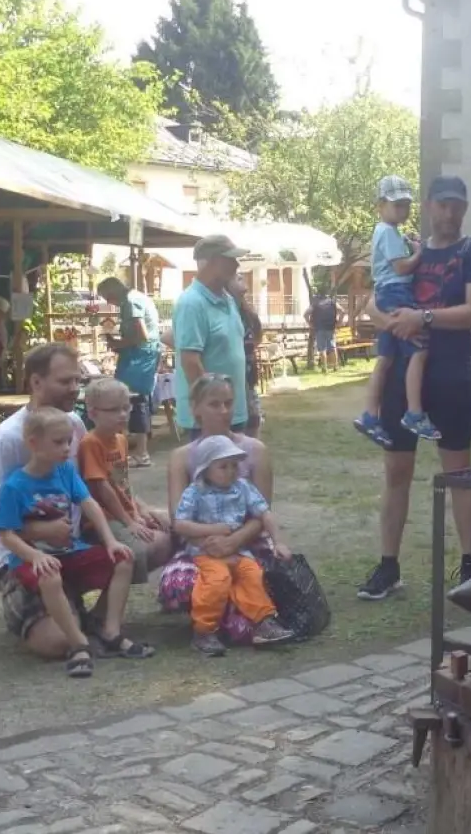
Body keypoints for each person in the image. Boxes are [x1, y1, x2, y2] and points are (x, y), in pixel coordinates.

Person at [0, 344, 169, 658]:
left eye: (77, 381)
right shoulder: (8, 439)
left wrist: (140, 509)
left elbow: (93, 485)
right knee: (57, 643)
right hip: (22, 555)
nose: (74, 389)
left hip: (73, 542)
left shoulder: (73, 425)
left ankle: (97, 619)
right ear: (36, 382)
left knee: (159, 538)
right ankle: (55, 612)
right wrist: (40, 532)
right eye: (65, 382)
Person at [357, 176, 471, 599]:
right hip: (403, 371)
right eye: (442, 204)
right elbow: (371, 299)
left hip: (452, 371)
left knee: (458, 471)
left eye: (457, 205)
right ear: (429, 205)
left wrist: (424, 319)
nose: (449, 213)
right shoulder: (402, 245)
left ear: (465, 209)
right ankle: (388, 566)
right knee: (397, 471)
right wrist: (388, 323)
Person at [0, 407, 151, 677]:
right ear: (33, 443)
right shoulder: (14, 485)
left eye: (68, 441)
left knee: (123, 558)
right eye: (58, 442)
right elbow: (5, 534)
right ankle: (78, 644)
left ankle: (110, 631)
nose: (66, 448)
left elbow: (88, 503)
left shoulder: (65, 471)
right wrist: (34, 556)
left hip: (70, 551)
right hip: (31, 559)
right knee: (50, 576)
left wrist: (110, 541)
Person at [160, 373, 277, 642]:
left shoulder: (255, 450)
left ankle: (240, 619)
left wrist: (234, 541)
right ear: (196, 409)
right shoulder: (182, 457)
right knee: (182, 585)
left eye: (228, 403)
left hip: (248, 541)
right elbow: (178, 517)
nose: (223, 411)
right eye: (214, 404)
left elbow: (262, 512)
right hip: (202, 546)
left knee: (257, 578)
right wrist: (212, 544)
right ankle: (220, 621)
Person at [173, 436, 295, 655]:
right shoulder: (195, 491)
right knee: (218, 579)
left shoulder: (243, 487)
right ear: (205, 469)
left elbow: (264, 513)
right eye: (223, 466)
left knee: (252, 574)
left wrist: (279, 542)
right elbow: (180, 524)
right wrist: (213, 530)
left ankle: (263, 623)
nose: (230, 471)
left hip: (238, 549)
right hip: (205, 551)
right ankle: (204, 631)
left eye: (234, 465)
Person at [356, 175, 441, 445]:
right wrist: (420, 252)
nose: (402, 211)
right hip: (396, 292)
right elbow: (402, 267)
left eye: (406, 205)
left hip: (385, 294)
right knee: (420, 349)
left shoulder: (389, 233)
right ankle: (414, 412)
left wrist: (410, 245)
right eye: (397, 205)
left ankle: (370, 415)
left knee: (386, 358)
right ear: (381, 205)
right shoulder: (387, 231)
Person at [77, 378, 177, 566]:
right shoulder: (91, 443)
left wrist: (139, 510)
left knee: (171, 530)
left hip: (125, 513)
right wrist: (129, 521)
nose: (122, 414)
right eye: (114, 410)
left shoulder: (121, 440)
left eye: (126, 408)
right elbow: (102, 488)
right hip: (105, 519)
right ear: (92, 413)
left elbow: (122, 483)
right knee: (147, 546)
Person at [173, 235, 249, 440]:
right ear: (212, 261)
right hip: (210, 419)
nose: (236, 264)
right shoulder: (192, 303)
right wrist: (211, 411)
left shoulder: (227, 299)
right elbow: (190, 361)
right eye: (231, 259)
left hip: (231, 411)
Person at [95, 276, 162, 467]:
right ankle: (128, 449)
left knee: (134, 399)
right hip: (137, 355)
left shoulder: (131, 302)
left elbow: (141, 335)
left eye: (107, 297)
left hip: (140, 356)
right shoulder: (133, 298)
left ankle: (141, 452)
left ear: (113, 292)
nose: (109, 302)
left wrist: (118, 343)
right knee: (130, 399)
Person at [225, 275, 266, 437]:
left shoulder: (247, 313)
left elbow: (257, 337)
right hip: (229, 380)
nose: (242, 278)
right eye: (236, 277)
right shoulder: (221, 310)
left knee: (253, 421)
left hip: (247, 378)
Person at [305, 292, 340, 371]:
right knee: (333, 347)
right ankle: (335, 366)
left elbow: (305, 314)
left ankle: (324, 367)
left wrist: (310, 324)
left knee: (322, 348)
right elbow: (343, 311)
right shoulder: (332, 302)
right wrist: (339, 322)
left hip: (319, 328)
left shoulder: (315, 304)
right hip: (331, 327)